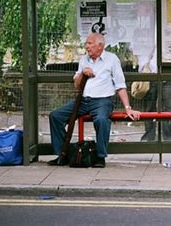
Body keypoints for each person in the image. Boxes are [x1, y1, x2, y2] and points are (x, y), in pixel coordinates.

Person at [48, 32, 141, 168]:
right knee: (55, 116)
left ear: (100, 45)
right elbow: (77, 85)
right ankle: (64, 153)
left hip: (102, 101)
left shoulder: (111, 59)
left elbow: (120, 85)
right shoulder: (84, 59)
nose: (87, 46)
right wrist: (82, 73)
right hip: (83, 100)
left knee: (102, 120)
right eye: (86, 43)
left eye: (90, 43)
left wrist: (128, 108)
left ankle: (100, 157)